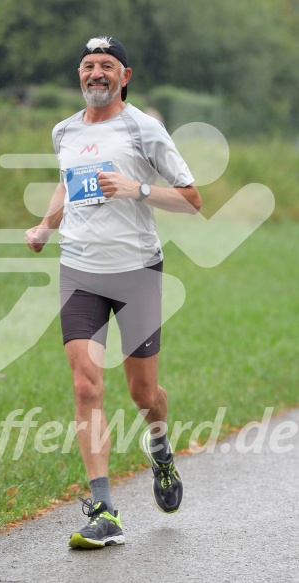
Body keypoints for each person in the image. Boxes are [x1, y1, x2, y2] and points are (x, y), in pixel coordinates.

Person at [25, 36, 201, 549]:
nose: (95, 73)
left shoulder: (144, 128)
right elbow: (67, 183)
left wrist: (137, 189)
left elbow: (191, 200)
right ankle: (104, 510)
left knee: (144, 395)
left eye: (106, 65)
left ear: (125, 75)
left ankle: (161, 448)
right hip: (79, 271)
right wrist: (44, 225)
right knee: (85, 387)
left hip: (137, 272)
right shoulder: (65, 130)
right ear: (79, 76)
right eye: (87, 66)